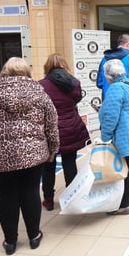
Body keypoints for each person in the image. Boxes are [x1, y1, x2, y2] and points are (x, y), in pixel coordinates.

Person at [0, 57, 59, 255]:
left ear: (4, 72)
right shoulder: (40, 94)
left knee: (6, 197)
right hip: (33, 155)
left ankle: (10, 242)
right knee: (31, 193)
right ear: (27, 72)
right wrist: (53, 149)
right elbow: (52, 126)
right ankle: (34, 236)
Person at [38, 53, 90, 211]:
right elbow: (77, 99)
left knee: (48, 167)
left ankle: (48, 200)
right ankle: (71, 197)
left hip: (49, 130)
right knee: (70, 164)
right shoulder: (74, 82)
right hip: (70, 128)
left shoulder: (41, 85)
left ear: (47, 66)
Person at [97, 34, 129, 182]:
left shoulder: (104, 59)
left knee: (114, 135)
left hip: (109, 100)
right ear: (128, 44)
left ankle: (115, 166)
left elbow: (99, 82)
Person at [99, 59, 129, 215]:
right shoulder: (128, 84)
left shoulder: (115, 89)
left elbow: (111, 116)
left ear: (108, 75)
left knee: (121, 171)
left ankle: (122, 204)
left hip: (124, 136)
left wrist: (105, 136)